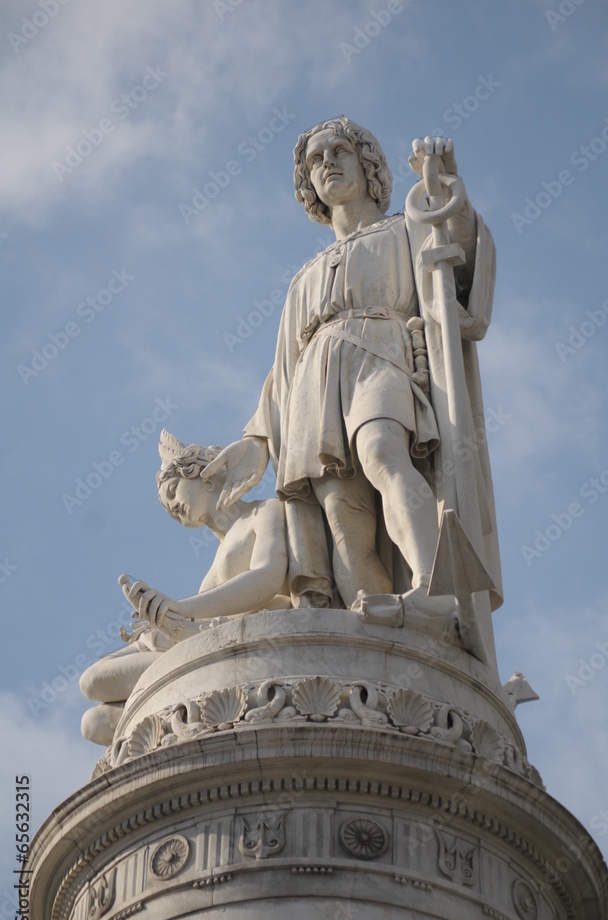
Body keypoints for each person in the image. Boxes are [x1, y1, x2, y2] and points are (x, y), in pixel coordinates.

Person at [202, 118, 502, 623]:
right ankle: (377, 622)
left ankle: (435, 587)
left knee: (383, 452)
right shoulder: (303, 279)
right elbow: (283, 370)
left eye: (339, 151)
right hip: (312, 385)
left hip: (379, 348)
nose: (328, 164)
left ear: (368, 165)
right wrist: (256, 439)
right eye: (316, 161)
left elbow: (463, 262)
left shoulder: (407, 226)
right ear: (309, 186)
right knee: (341, 516)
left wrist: (447, 186)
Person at [79, 430, 290, 745]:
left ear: (206, 477)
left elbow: (268, 577)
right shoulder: (215, 562)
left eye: (174, 491)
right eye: (167, 506)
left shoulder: (264, 512)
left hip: (239, 642)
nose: (173, 507)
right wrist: (157, 620)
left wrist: (181, 609)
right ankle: (176, 713)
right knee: (93, 719)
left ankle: (188, 713)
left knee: (93, 681)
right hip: (199, 638)